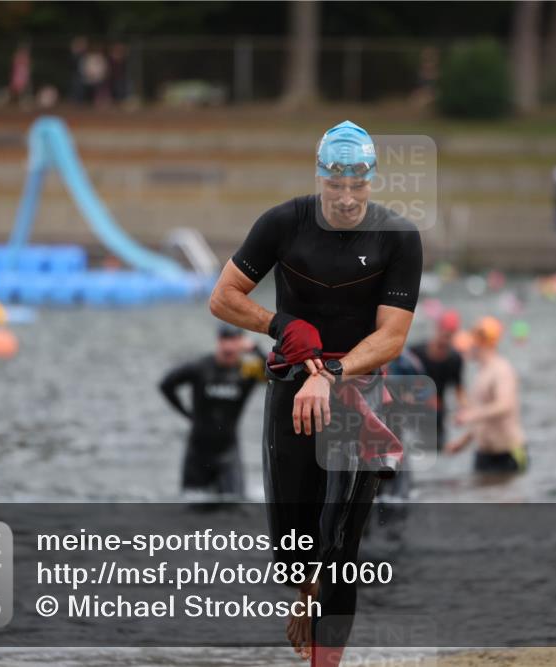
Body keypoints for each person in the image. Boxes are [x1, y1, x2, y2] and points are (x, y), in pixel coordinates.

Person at [209, 119, 422, 667]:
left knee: (342, 547)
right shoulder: (283, 222)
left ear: (372, 179)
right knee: (294, 550)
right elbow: (223, 296)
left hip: (358, 392)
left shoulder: (398, 236)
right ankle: (307, 591)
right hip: (290, 391)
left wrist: (329, 373)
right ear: (320, 177)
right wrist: (279, 324)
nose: (347, 197)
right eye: (336, 184)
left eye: (358, 184)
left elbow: (392, 337)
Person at [158, 323, 265, 498]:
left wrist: (255, 348)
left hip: (228, 453)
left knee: (234, 504)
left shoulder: (248, 371)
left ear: (241, 343)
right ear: (218, 341)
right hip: (197, 452)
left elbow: (275, 374)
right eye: (224, 340)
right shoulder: (200, 367)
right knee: (192, 503)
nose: (228, 347)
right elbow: (166, 384)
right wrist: (186, 413)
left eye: (233, 341)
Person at [444, 317, 528, 474]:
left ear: (480, 343)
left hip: (508, 453)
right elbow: (483, 419)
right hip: (484, 454)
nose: (467, 348)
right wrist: (462, 443)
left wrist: (471, 415)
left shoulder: (502, 369)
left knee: (509, 490)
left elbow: (505, 405)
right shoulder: (481, 372)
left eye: (470, 343)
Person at [409, 309, 466, 452]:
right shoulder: (415, 352)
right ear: (437, 329)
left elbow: (459, 389)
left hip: (437, 414)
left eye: (450, 336)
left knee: (438, 451)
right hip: (413, 412)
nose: (446, 340)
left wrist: (464, 410)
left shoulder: (455, 359)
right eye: (444, 334)